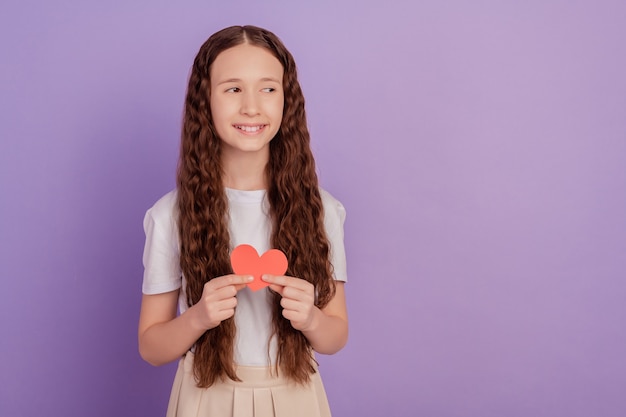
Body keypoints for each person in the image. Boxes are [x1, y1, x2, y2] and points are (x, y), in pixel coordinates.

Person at [138, 25, 348, 417]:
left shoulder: (323, 210)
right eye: (233, 88)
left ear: (287, 100)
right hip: (205, 398)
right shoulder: (171, 214)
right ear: (206, 100)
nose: (252, 106)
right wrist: (198, 317)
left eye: (268, 88)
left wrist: (311, 318)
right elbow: (151, 347)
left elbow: (335, 336)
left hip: (296, 397)